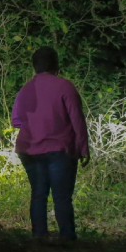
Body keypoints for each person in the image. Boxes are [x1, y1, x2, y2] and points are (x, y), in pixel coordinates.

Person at [12, 47, 89, 241]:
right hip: (59, 149)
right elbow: (77, 120)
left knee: (38, 194)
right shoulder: (65, 86)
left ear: (34, 66)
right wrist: (82, 147)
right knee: (61, 196)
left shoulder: (26, 89)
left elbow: (16, 120)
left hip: (29, 149)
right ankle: (67, 237)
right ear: (56, 65)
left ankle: (39, 235)